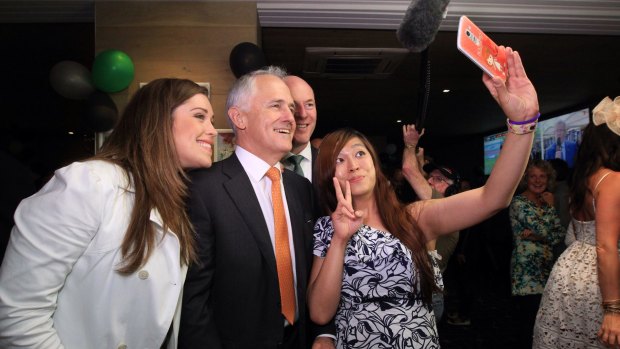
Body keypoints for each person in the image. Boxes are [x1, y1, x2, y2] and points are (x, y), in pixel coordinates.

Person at [307, 47, 539, 348]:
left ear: (376, 165)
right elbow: (320, 312)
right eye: (339, 160)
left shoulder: (414, 217)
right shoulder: (327, 229)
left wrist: (522, 124)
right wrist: (339, 239)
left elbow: (492, 198)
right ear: (329, 175)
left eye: (360, 153)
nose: (353, 165)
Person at [0, 78, 216, 348]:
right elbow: (18, 315)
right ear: (158, 120)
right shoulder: (87, 183)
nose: (212, 130)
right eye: (200, 116)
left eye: (211, 119)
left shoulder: (175, 199)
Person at [179, 66, 334, 348]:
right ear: (239, 118)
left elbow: (316, 272)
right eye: (276, 106)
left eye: (290, 106)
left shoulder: (302, 190)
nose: (292, 116)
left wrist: (323, 332)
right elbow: (193, 299)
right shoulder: (203, 189)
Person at [533, 96, 620, 348]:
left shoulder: (585, 178)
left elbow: (573, 236)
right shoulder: (613, 180)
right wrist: (613, 310)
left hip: (571, 273)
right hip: (602, 281)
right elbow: (605, 247)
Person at [401, 126, 461, 322]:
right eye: (430, 177)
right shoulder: (433, 206)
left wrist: (410, 144)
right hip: (413, 289)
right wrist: (419, 159)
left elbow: (409, 171)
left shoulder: (448, 208)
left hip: (426, 294)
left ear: (453, 191)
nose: (431, 181)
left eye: (440, 179)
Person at [508, 159, 564, 348]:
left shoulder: (545, 201)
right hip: (527, 274)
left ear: (549, 179)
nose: (538, 181)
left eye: (542, 176)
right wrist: (550, 209)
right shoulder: (518, 202)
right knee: (528, 325)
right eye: (533, 176)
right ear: (526, 179)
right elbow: (545, 230)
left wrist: (538, 236)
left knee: (545, 324)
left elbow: (559, 236)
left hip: (547, 270)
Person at [282, 75, 318, 182]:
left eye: (309, 104)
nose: (303, 114)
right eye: (293, 106)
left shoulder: (332, 164)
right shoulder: (263, 165)